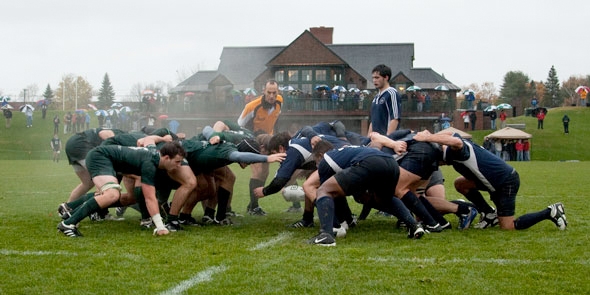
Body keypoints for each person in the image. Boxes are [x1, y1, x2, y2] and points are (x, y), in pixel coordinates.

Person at [413, 130, 567, 231]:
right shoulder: (452, 149)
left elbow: (457, 141)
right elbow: (452, 131)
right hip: (495, 180)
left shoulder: (457, 152)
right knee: (460, 183)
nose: (439, 165)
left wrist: (427, 137)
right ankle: (488, 213)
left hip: (505, 182)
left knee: (508, 227)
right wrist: (432, 135)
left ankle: (550, 212)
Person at [57, 141, 186, 237]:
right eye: (177, 162)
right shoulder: (150, 164)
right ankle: (68, 224)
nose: (179, 166)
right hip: (100, 157)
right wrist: (160, 226)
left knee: (112, 194)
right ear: (166, 158)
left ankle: (69, 213)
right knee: (112, 195)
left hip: (104, 158)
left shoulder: (154, 156)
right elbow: (150, 198)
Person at [304, 143, 425, 246]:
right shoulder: (347, 152)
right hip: (391, 163)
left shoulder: (326, 160)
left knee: (323, 191)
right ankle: (413, 225)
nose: (316, 165)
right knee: (385, 199)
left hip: (368, 162)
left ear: (320, 155)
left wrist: (335, 225)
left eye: (315, 162)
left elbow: (331, 196)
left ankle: (326, 235)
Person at [237, 79, 283, 215]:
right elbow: (239, 125)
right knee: (258, 171)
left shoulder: (280, 101)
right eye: (269, 92)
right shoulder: (252, 106)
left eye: (274, 93)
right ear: (264, 91)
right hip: (254, 142)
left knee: (265, 173)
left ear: (278, 92)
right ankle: (253, 207)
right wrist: (252, 138)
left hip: (268, 141)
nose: (272, 96)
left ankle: (252, 204)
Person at [368, 64, 401, 135]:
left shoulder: (391, 93)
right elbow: (373, 122)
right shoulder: (376, 97)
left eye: (377, 78)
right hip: (375, 140)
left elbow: (395, 119)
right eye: (373, 78)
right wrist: (367, 140)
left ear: (386, 77)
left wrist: (387, 139)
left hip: (385, 140)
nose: (374, 80)